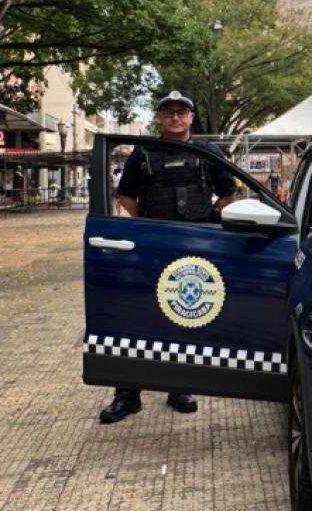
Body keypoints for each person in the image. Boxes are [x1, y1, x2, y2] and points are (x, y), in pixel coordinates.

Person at [98, 90, 239, 425]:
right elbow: (125, 197)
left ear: (191, 117)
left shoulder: (208, 152)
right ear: (159, 117)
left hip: (195, 248)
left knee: (185, 317)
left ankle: (179, 387)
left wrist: (207, 222)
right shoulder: (142, 154)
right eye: (168, 112)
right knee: (138, 320)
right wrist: (149, 226)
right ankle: (127, 395)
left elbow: (229, 193)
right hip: (152, 249)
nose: (175, 117)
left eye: (182, 112)